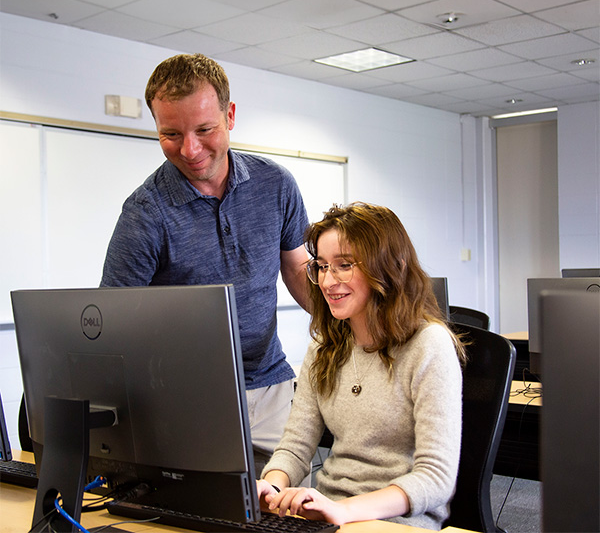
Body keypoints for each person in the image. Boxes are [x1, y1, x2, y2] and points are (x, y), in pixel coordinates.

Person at [100, 53, 310, 476]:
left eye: (205, 129)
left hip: (270, 387)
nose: (190, 149)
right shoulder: (145, 213)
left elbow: (297, 268)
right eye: (171, 134)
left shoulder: (276, 184)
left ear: (229, 116)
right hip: (187, 399)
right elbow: (112, 325)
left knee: (285, 514)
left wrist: (351, 325)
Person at [257, 202, 466, 529]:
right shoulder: (325, 347)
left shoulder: (429, 345)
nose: (327, 281)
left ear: (386, 267)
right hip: (329, 515)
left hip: (398, 520)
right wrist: (271, 485)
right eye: (322, 266)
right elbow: (296, 446)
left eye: (343, 265)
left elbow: (435, 478)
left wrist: (345, 511)